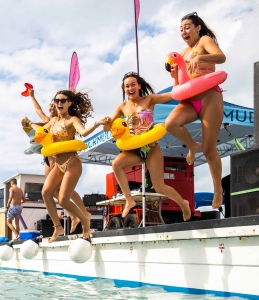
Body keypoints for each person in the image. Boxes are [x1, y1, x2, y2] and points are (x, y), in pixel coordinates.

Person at [102, 72, 191, 221]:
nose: (130, 88)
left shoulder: (149, 100)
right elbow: (108, 128)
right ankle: (129, 200)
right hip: (134, 149)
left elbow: (174, 95)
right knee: (116, 164)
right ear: (124, 89)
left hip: (150, 148)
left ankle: (183, 204)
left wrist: (175, 77)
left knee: (159, 187)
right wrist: (106, 123)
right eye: (127, 86)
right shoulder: (122, 107)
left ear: (139, 86)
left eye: (132, 85)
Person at [23, 90, 106, 242]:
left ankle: (84, 219)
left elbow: (84, 132)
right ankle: (58, 227)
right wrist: (28, 124)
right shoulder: (53, 121)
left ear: (69, 103)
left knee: (63, 200)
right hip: (58, 165)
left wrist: (97, 123)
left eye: (63, 100)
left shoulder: (72, 120)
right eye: (57, 100)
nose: (59, 103)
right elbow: (41, 130)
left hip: (72, 163)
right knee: (46, 193)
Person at [165, 12, 226, 209]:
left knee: (209, 150)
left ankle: (218, 189)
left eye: (187, 27)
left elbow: (221, 57)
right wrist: (174, 75)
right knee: (170, 123)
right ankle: (192, 146)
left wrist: (201, 56)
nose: (184, 31)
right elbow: (180, 84)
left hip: (210, 98)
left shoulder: (204, 41)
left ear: (198, 28)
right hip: (191, 101)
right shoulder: (182, 53)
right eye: (181, 29)